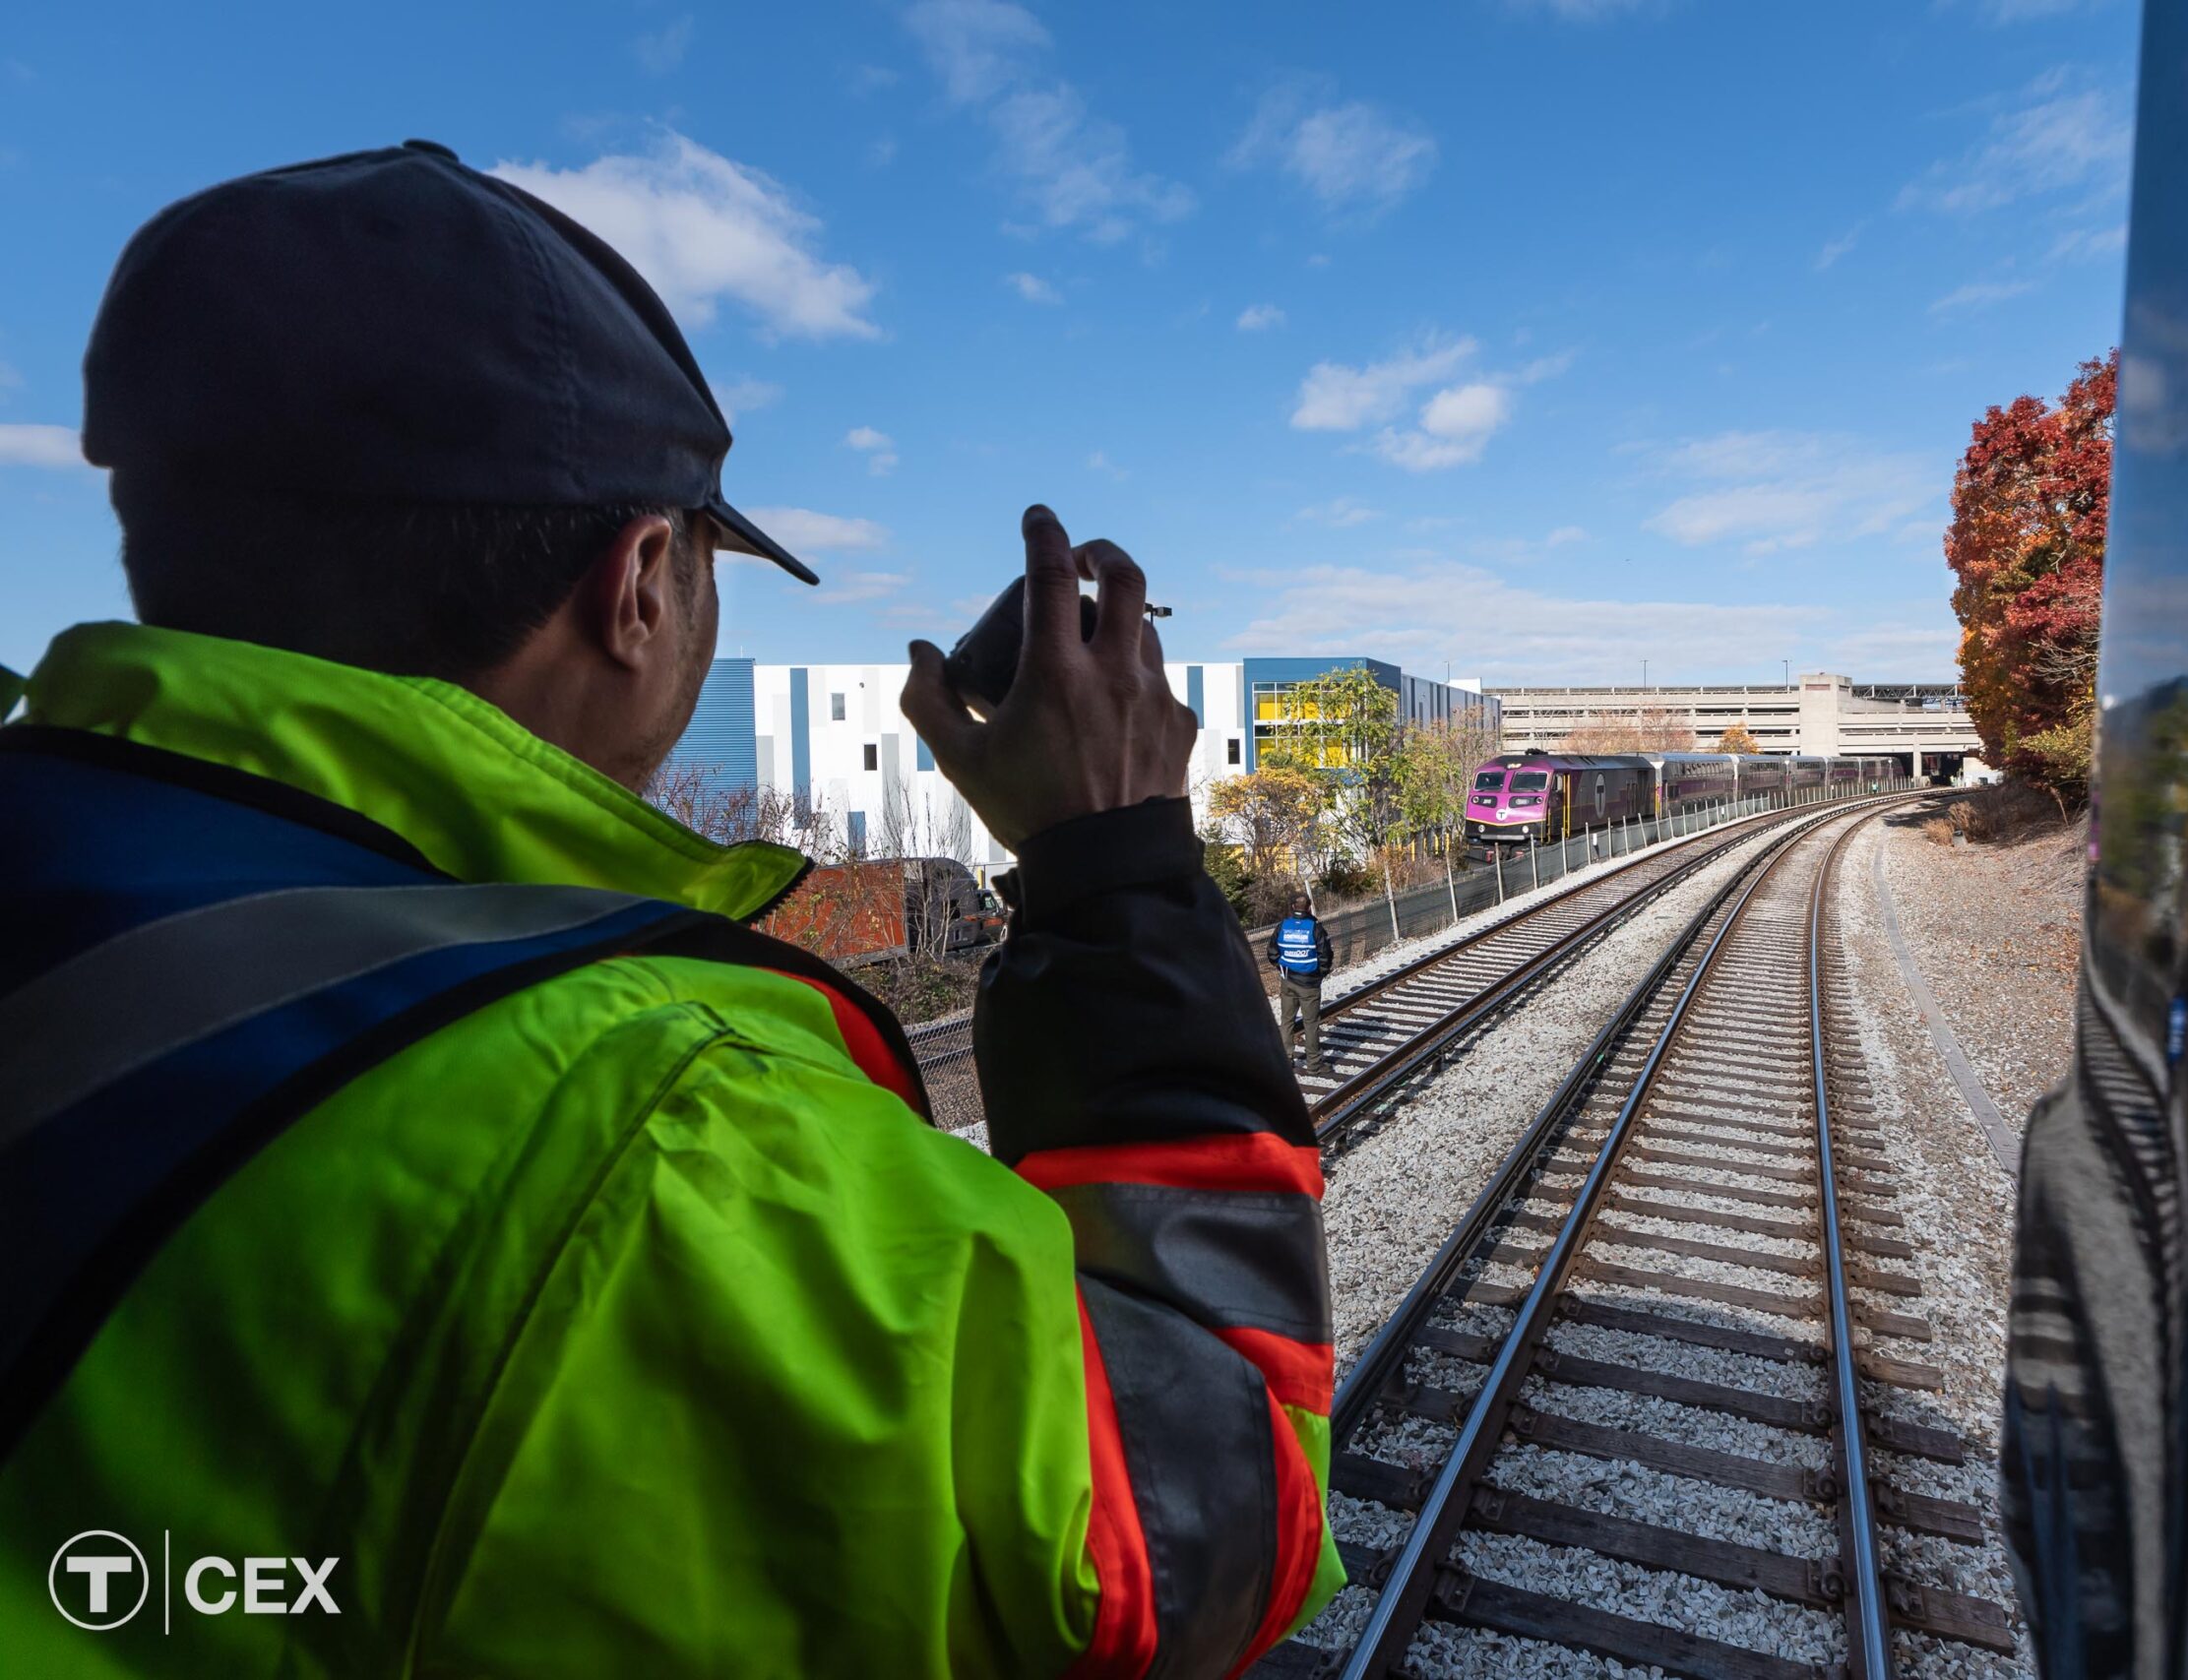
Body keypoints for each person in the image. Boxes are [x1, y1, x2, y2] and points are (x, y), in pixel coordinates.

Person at [0, 143, 1339, 1676]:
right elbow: (1207, 1515)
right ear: (639, 581)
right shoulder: (665, 1137)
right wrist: (1117, 878)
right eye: (710, 561)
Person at [1272, 893, 1335, 1066]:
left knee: (1287, 1021)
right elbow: (1325, 956)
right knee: (1311, 1023)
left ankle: (1286, 1059)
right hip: (1309, 983)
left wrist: (1283, 968)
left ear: (1293, 906)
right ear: (1309, 907)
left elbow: (1272, 952)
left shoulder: (1282, 926)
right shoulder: (1315, 927)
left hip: (1288, 981)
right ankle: (1314, 1063)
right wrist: (1319, 974)